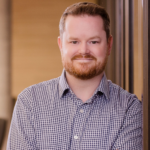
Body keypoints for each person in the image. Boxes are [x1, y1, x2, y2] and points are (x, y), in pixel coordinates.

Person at [7, 2, 142, 150]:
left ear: (109, 45)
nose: (83, 50)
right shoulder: (29, 103)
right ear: (61, 45)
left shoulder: (129, 109)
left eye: (93, 41)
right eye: (74, 41)